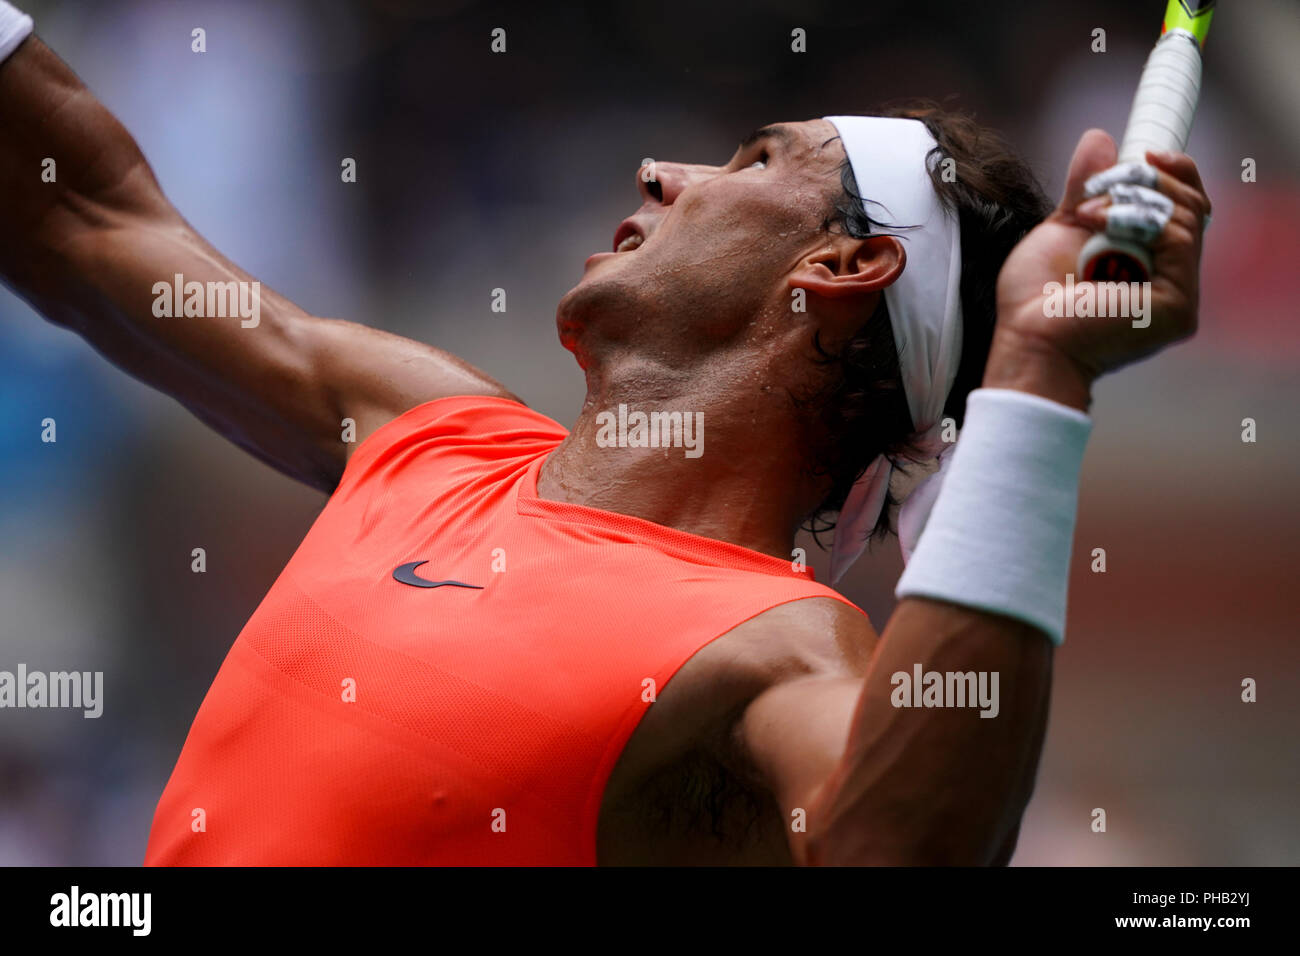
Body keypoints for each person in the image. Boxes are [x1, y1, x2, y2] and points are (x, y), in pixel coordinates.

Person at [0, 5, 1210, 865]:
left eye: (754, 158)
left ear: (845, 265)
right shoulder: (433, 431)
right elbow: (79, 218)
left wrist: (1041, 368)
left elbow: (898, 848)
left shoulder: (777, 651)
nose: (658, 168)